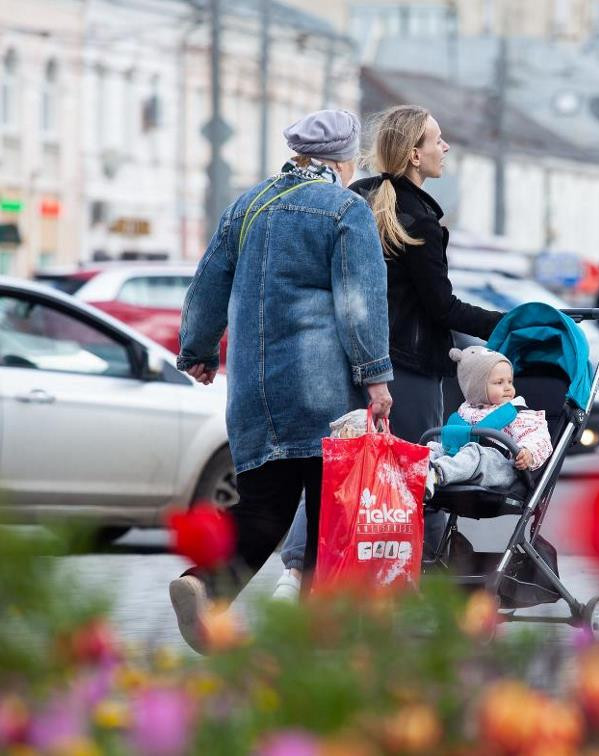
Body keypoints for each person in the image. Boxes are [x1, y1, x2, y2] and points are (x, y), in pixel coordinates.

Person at [169, 109, 393, 653]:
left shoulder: (246, 206)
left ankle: (204, 583)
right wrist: (376, 377)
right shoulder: (346, 209)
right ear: (345, 160)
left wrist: (197, 351)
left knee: (262, 508)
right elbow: (359, 303)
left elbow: (205, 287)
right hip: (323, 394)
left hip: (252, 391)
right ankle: (309, 638)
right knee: (328, 518)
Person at [270, 105, 503, 600]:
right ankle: (412, 578)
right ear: (416, 153)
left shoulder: (355, 198)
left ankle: (294, 576)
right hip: (409, 371)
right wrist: (506, 323)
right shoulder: (418, 216)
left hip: (349, 363)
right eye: (438, 141)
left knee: (343, 469)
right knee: (419, 470)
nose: (445, 149)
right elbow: (441, 308)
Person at [424, 346, 553, 496]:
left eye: (510, 381)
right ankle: (414, 469)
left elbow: (538, 436)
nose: (508, 388)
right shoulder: (465, 411)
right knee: (432, 448)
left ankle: (435, 474)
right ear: (477, 387)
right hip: (461, 461)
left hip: (499, 468)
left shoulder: (517, 413)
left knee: (474, 452)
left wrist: (528, 453)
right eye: (499, 382)